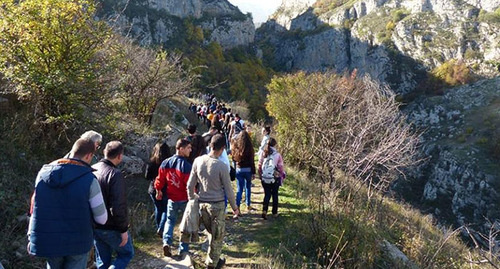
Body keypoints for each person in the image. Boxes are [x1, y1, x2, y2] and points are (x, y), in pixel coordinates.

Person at [27, 138, 108, 269]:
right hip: (78, 242)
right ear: (89, 156)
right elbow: (102, 219)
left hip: (49, 240)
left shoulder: (42, 175)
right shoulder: (90, 180)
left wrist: (31, 235)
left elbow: (34, 208)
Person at [187, 134, 239, 269]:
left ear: (210, 145)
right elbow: (229, 189)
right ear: (223, 148)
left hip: (202, 204)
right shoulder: (221, 166)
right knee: (217, 237)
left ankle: (213, 260)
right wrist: (235, 207)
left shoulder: (198, 161)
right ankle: (211, 264)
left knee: (211, 233)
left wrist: (192, 199)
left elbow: (189, 185)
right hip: (217, 205)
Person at [92, 141, 134, 269]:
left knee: (102, 261)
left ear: (104, 152)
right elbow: (118, 206)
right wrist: (123, 229)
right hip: (111, 226)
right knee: (127, 254)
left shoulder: (91, 169)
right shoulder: (115, 174)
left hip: (94, 224)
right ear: (120, 156)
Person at [154, 139, 192, 257]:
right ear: (181, 149)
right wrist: (194, 196)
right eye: (188, 148)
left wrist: (158, 190)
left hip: (171, 198)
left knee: (170, 221)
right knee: (186, 223)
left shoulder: (166, 162)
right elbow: (189, 184)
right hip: (184, 199)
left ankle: (166, 242)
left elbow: (160, 179)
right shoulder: (186, 165)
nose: (190, 150)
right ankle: (183, 249)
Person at [145, 142, 172, 236]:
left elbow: (147, 176)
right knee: (165, 209)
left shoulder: (151, 162)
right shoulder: (170, 162)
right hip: (167, 189)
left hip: (153, 189)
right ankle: (162, 228)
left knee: (158, 208)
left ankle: (159, 227)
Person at [258, 138, 285, 220]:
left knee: (267, 194)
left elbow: (259, 164)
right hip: (274, 178)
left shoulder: (263, 153)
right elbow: (280, 167)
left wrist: (260, 175)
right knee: (275, 194)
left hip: (265, 177)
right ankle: (274, 212)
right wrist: (281, 175)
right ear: (275, 145)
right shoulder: (277, 155)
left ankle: (264, 210)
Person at [231, 131, 256, 213]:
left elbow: (233, 159)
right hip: (248, 170)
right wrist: (253, 172)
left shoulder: (236, 147)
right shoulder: (250, 148)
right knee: (248, 187)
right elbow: (252, 161)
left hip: (239, 169)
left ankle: (237, 207)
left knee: (239, 189)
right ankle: (248, 204)